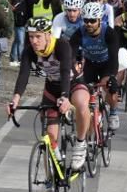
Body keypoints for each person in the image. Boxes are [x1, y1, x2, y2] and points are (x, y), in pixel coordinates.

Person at [10, 17, 91, 177]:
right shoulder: (29, 50)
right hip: (52, 88)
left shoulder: (61, 45)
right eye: (31, 36)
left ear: (48, 35)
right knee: (49, 138)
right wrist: (15, 99)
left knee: (81, 104)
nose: (33, 41)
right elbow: (24, 75)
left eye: (38, 36)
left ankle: (81, 144)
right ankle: (51, 182)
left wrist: (65, 97)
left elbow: (65, 71)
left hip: (73, 84)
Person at [70, 1, 121, 131]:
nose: (89, 24)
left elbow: (114, 58)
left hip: (107, 63)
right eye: (86, 20)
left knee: (109, 86)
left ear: (99, 20)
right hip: (90, 64)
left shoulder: (109, 33)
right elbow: (70, 55)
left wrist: (111, 76)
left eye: (92, 21)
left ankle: (113, 112)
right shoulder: (79, 33)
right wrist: (73, 73)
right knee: (82, 90)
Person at [10, 0, 31, 67]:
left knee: (17, 41)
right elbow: (14, 9)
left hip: (25, 22)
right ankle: (20, 59)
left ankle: (13, 58)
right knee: (21, 41)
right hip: (19, 22)